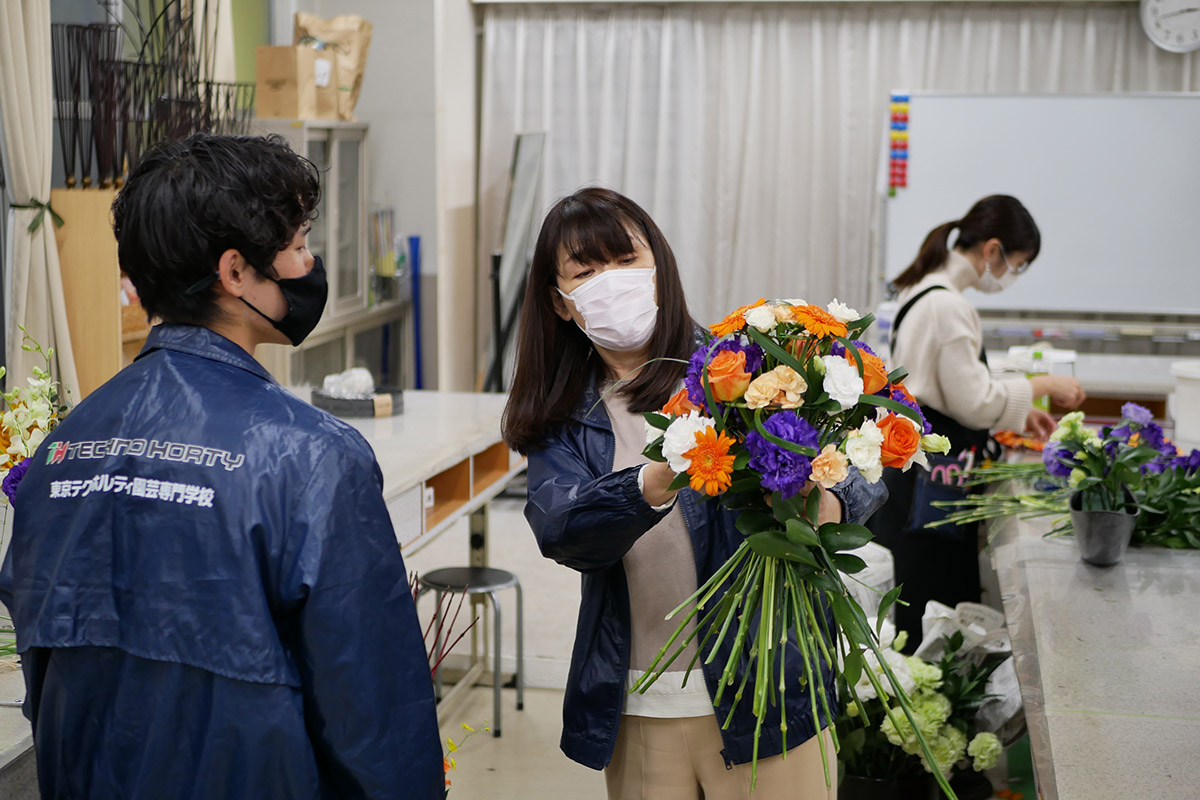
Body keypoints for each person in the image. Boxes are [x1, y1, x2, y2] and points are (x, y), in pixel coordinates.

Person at [0, 134, 443, 799]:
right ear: (236, 273)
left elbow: (40, 671)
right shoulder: (316, 457)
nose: (310, 262)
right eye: (297, 246)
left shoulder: (60, 451)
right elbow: (373, 710)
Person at [502, 187, 887, 799]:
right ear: (561, 302)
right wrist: (648, 484)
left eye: (626, 259)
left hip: (767, 691)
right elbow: (563, 530)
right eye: (586, 271)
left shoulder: (744, 368)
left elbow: (865, 465)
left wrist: (827, 501)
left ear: (659, 265)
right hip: (643, 704)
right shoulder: (561, 417)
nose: (613, 281)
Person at [868, 194, 1086, 644]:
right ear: (992, 250)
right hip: (931, 488)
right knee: (933, 605)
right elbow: (974, 401)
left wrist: (1024, 408)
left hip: (915, 476)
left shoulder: (923, 288)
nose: (1011, 276)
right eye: (1016, 264)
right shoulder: (947, 305)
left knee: (916, 602)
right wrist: (1042, 386)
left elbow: (958, 383)